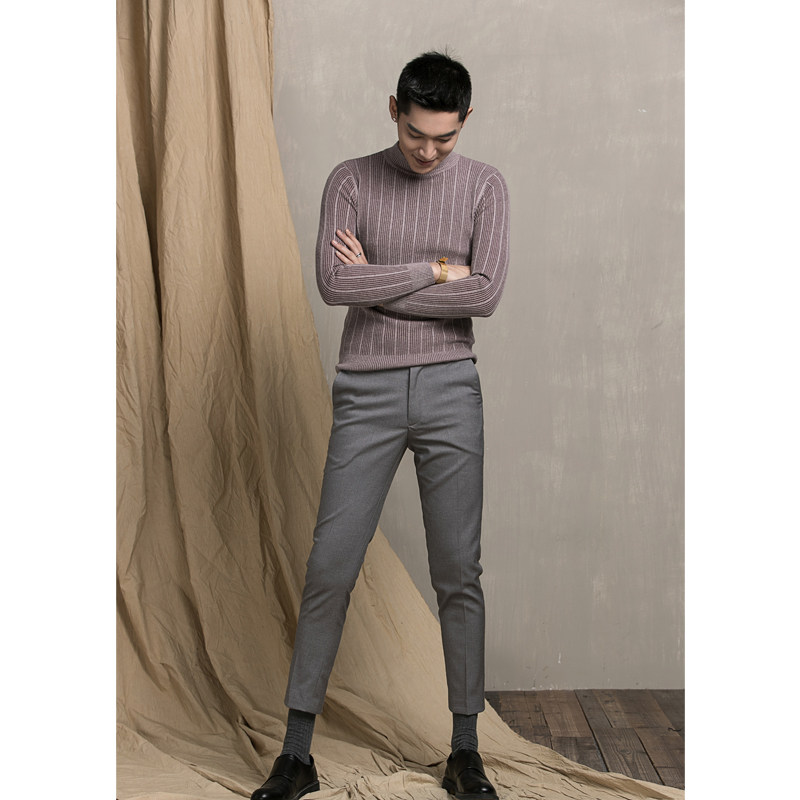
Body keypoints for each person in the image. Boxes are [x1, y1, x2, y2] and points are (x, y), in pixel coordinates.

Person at [251, 51, 510, 800]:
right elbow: (336, 283)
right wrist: (436, 270)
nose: (429, 152)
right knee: (330, 565)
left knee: (458, 571)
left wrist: (381, 280)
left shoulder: (484, 186)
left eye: (446, 138)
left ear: (465, 122)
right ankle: (295, 756)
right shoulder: (351, 181)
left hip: (451, 389)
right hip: (366, 390)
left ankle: (466, 752)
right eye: (416, 134)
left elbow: (486, 295)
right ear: (394, 109)